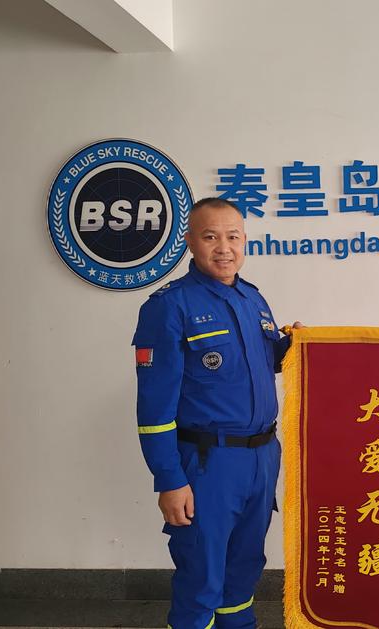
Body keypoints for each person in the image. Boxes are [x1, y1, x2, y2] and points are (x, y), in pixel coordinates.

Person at [132, 197, 300, 629]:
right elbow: (153, 408)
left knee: (244, 568)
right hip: (208, 464)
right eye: (210, 237)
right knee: (201, 577)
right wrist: (170, 479)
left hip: (261, 458)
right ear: (190, 242)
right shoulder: (169, 306)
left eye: (233, 237)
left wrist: (296, 347)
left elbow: (262, 362)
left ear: (245, 241)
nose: (224, 248)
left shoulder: (252, 299)